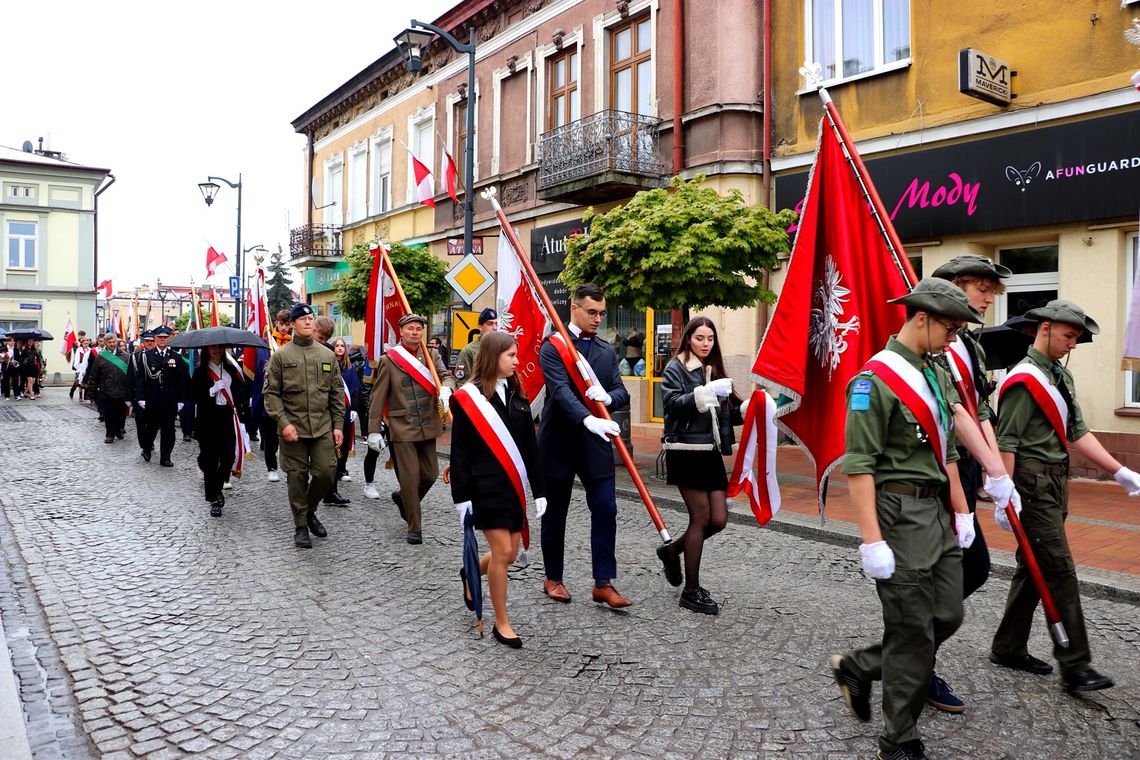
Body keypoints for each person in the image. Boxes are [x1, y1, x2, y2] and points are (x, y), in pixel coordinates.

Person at [830, 278, 982, 760]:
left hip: (936, 509)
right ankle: (898, 738)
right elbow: (859, 465)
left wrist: (961, 508)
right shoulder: (873, 381)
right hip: (897, 514)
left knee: (948, 614)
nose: (954, 337)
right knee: (913, 630)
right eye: (951, 328)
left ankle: (860, 665)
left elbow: (948, 448)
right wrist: (871, 540)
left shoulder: (933, 372)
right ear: (922, 318)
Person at [990, 299, 1140, 693]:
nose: (1073, 344)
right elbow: (1007, 441)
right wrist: (1005, 494)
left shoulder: (1058, 375)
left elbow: (1078, 432)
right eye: (1069, 335)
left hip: (1056, 483)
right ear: (1046, 328)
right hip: (1031, 484)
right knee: (1058, 570)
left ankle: (1007, 647)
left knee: (1033, 566)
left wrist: (1119, 471)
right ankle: (1075, 665)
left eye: (1076, 338)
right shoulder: (1024, 380)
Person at [924, 254, 1021, 712]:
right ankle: (903, 659)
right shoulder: (933, 345)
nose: (988, 297)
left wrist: (996, 472)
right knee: (969, 567)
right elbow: (950, 416)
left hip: (963, 467)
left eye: (990, 290)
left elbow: (979, 409)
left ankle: (908, 657)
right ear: (953, 287)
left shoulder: (972, 346)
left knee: (962, 572)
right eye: (980, 288)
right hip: (936, 469)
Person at [449, 331, 547, 648]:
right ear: (494, 357)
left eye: (517, 355)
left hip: (513, 488)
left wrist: (540, 490)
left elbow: (530, 450)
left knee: (509, 550)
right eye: (512, 356)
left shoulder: (518, 396)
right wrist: (461, 497)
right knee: (504, 553)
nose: (518, 362)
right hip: (484, 486)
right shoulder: (469, 398)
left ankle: (470, 571)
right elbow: (460, 451)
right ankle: (501, 623)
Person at [537, 283, 632, 609]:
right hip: (559, 441)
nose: (597, 319)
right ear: (574, 309)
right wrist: (586, 418)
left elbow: (622, 392)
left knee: (606, 508)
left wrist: (609, 398)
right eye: (591, 312)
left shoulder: (606, 351)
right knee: (555, 514)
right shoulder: (553, 347)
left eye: (601, 313)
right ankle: (553, 577)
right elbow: (560, 391)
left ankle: (603, 583)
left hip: (595, 444)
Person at [658, 316, 744, 615]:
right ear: (689, 339)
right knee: (701, 517)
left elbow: (727, 412)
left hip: (709, 452)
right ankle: (691, 591)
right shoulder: (676, 367)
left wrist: (749, 408)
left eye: (709, 339)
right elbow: (671, 405)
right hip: (685, 449)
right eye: (699, 338)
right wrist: (705, 393)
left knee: (718, 519)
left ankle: (672, 550)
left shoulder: (714, 368)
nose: (705, 344)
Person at [366, 313, 455, 544]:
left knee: (431, 474)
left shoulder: (431, 354)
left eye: (419, 329)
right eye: (411, 329)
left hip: (428, 424)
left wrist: (446, 388)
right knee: (411, 477)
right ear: (402, 332)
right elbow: (377, 397)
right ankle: (414, 526)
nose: (415, 332)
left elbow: (446, 375)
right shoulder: (390, 359)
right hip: (402, 425)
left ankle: (404, 500)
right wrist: (373, 429)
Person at [263, 303, 344, 548]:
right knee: (297, 477)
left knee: (326, 472)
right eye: (303, 319)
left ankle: (309, 511)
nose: (308, 322)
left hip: (321, 427)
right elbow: (271, 394)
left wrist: (338, 425)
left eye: (311, 318)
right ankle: (301, 525)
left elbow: (336, 393)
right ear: (293, 324)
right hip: (293, 428)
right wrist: (283, 422)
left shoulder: (327, 355)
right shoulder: (280, 356)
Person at [192, 344, 249, 517]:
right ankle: (213, 499)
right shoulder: (200, 371)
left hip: (227, 418)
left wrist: (242, 409)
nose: (216, 351)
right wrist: (211, 390)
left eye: (219, 348)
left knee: (228, 457)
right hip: (208, 418)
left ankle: (217, 487)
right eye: (212, 348)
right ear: (207, 351)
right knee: (210, 460)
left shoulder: (231, 369)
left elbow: (240, 393)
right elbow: (194, 395)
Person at [132, 326, 188, 466]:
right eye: (160, 337)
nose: (162, 339)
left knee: (169, 431)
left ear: (170, 338)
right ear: (155, 338)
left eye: (165, 337)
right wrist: (140, 398)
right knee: (150, 428)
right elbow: (140, 379)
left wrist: (181, 400)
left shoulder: (176, 357)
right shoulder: (147, 356)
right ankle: (146, 448)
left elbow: (181, 380)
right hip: (152, 399)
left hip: (170, 401)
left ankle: (165, 457)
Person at [250, 310, 293, 483]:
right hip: (269, 395)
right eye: (281, 324)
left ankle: (290, 466)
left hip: (289, 397)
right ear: (276, 323)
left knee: (288, 435)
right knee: (269, 434)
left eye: (287, 324)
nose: (283, 328)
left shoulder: (294, 344)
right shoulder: (266, 342)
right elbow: (258, 368)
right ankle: (271, 467)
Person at [313, 317, 350, 506]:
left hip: (326, 411)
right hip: (307, 412)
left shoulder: (328, 351)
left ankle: (331, 491)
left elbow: (335, 384)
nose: (323, 342)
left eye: (326, 339)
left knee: (331, 456)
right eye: (320, 338)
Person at [84, 334, 131, 444]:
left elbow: (131, 375)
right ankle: (110, 434)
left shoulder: (126, 356)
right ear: (105, 343)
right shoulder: (100, 357)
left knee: (121, 413)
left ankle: (119, 430)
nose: (112, 344)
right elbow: (93, 375)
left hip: (122, 390)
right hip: (106, 391)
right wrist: (92, 392)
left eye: (114, 342)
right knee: (109, 414)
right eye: (109, 342)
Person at [332, 337, 362, 490]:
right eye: (337, 346)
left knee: (345, 439)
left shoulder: (350, 367)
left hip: (348, 408)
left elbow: (356, 390)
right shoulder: (330, 364)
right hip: (333, 409)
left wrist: (355, 409)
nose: (339, 348)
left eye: (342, 346)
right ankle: (333, 468)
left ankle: (342, 468)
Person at [126, 331, 156, 454]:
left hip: (154, 395)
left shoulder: (159, 355)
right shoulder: (135, 356)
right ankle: (145, 445)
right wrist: (128, 397)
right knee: (141, 422)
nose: (149, 343)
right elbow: (130, 378)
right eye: (147, 340)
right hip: (139, 395)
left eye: (152, 340)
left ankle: (150, 442)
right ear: (142, 342)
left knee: (153, 423)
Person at [454, 308, 498, 382]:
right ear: (480, 327)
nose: (494, 328)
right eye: (490, 324)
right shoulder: (468, 351)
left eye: (496, 324)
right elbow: (461, 381)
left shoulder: (501, 348)